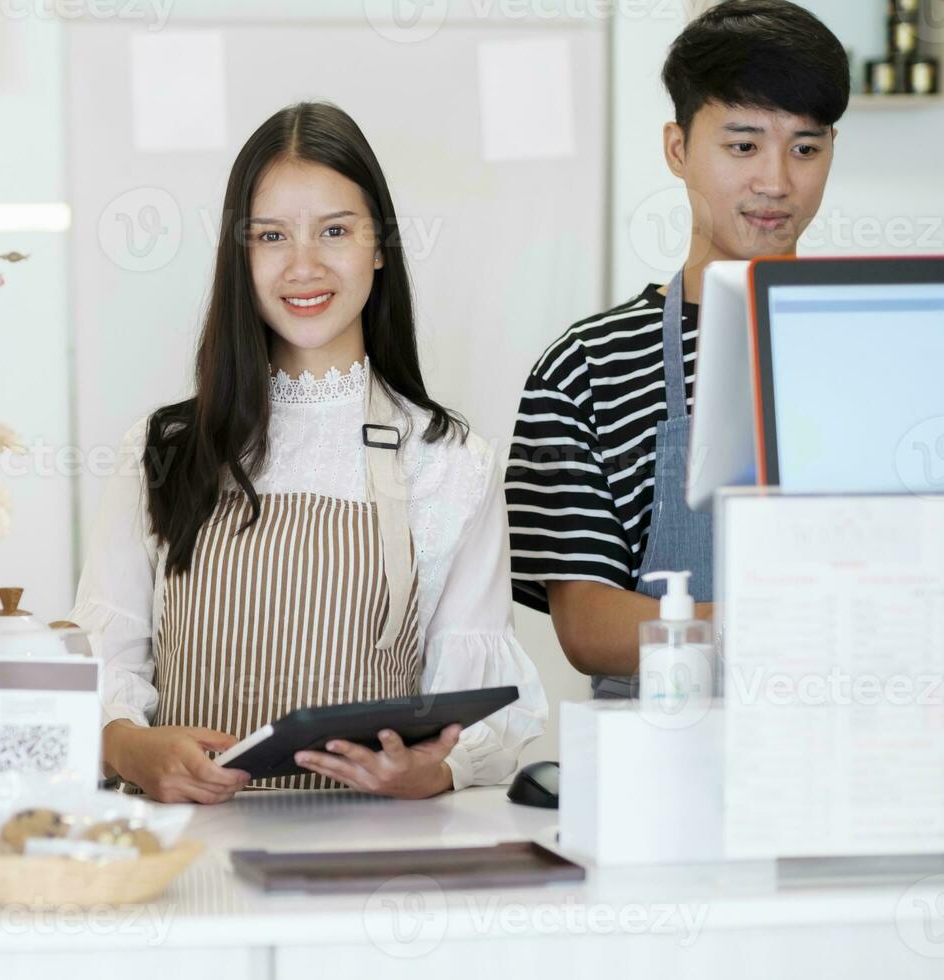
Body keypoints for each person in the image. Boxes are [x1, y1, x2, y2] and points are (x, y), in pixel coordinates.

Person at [70, 101, 546, 804]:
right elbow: (99, 666)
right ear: (240, 253)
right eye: (271, 235)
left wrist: (434, 770)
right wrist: (131, 747)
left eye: (335, 230)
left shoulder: (447, 459)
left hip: (369, 865)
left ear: (378, 245)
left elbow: (477, 712)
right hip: (183, 856)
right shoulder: (163, 448)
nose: (304, 265)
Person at [505, 0, 849, 696]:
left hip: (866, 754)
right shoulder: (584, 369)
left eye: (806, 148)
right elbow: (591, 628)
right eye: (743, 145)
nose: (777, 181)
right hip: (663, 769)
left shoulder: (877, 346)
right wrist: (784, 630)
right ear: (677, 148)